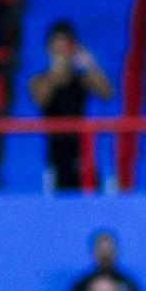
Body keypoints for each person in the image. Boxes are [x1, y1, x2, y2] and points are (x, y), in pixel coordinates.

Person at [28, 21, 113, 190]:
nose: (61, 53)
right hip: (55, 156)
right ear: (49, 50)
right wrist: (56, 72)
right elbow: (40, 100)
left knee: (90, 203)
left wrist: (90, 65)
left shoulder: (82, 79)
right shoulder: (38, 80)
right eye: (57, 48)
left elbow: (107, 94)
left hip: (82, 153)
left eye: (65, 48)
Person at [65, 229, 145, 291]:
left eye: (109, 250)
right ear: (94, 252)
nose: (105, 255)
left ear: (115, 252)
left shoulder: (128, 285)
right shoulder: (81, 285)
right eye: (101, 250)